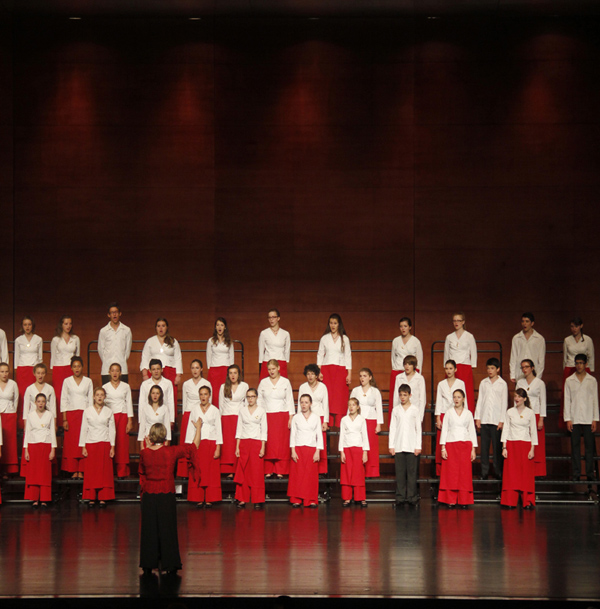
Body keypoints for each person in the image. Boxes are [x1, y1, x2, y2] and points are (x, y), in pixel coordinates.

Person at [139, 419, 202, 575]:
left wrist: (148, 447)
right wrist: (198, 428)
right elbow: (194, 447)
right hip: (166, 493)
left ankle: (148, 564)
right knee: (168, 529)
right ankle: (170, 564)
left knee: (149, 530)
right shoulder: (171, 451)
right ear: (165, 437)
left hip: (149, 494)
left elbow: (142, 472)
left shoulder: (144, 453)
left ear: (151, 436)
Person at [438, 389, 477, 508]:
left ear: (463, 399)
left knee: (464, 474)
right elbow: (444, 429)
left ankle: (464, 500)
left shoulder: (468, 413)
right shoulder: (449, 413)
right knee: (451, 473)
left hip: (465, 445)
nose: (456, 399)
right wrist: (443, 447)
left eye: (459, 397)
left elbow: (472, 431)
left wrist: (473, 449)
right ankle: (450, 499)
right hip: (451, 444)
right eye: (454, 397)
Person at [500, 388, 538, 509]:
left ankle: (527, 500)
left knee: (525, 474)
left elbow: (533, 431)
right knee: (511, 474)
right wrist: (504, 447)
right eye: (515, 396)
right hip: (512, 444)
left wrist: (532, 449)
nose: (516, 399)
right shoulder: (510, 412)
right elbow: (505, 429)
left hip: (525, 444)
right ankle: (510, 500)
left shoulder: (530, 413)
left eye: (519, 397)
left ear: (524, 399)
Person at [257, 359, 295, 478]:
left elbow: (289, 400)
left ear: (278, 368)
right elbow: (260, 400)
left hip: (282, 415)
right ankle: (268, 469)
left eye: (273, 369)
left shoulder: (285, 382)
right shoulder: (263, 382)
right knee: (269, 443)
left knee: (281, 444)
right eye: (269, 369)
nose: (271, 371)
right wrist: (260, 416)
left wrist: (290, 417)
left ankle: (281, 469)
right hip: (267, 415)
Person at [564, 354, 599, 482]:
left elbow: (595, 399)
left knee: (590, 447)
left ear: (585, 364)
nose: (579, 365)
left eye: (581, 363)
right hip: (574, 418)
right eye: (577, 363)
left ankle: (590, 473)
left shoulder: (592, 380)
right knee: (575, 447)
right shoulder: (569, 380)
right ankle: (576, 473)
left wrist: (595, 418)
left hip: (588, 418)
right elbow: (567, 400)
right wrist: (568, 418)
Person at [79, 387, 116, 507]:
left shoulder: (108, 411)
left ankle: (103, 497)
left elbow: (112, 430)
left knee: (104, 472)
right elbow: (84, 429)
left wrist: (112, 446)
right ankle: (91, 497)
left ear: (104, 397)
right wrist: (83, 446)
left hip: (104, 443)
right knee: (92, 472)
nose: (99, 397)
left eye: (102, 395)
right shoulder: (87, 411)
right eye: (97, 395)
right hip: (91, 443)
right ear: (94, 397)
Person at [186, 386, 222, 507]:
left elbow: (219, 429)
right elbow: (190, 429)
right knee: (198, 470)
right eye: (201, 394)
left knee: (211, 472)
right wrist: (190, 446)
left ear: (209, 395)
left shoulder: (215, 410)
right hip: (198, 444)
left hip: (211, 443)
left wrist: (218, 447)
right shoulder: (195, 410)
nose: (203, 397)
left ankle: (211, 497)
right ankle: (198, 497)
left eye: (205, 394)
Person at [176, 359, 211, 478]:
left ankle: (199, 471)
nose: (195, 370)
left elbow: (209, 403)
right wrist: (186, 416)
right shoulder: (186, 384)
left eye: (197, 368)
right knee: (186, 444)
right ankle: (183, 474)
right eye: (193, 368)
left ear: (201, 369)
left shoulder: (206, 383)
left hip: (201, 414)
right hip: (189, 415)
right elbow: (185, 403)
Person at [474, 357, 508, 480]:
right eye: (488, 368)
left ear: (498, 369)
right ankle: (484, 472)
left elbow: (504, 402)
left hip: (496, 420)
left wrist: (502, 420)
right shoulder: (484, 382)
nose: (490, 371)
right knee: (484, 448)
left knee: (497, 448)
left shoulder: (502, 384)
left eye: (492, 368)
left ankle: (498, 471)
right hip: (485, 419)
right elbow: (480, 400)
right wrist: (477, 417)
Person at [21, 363, 56, 477]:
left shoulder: (50, 389)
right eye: (38, 373)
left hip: (46, 419)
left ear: (45, 374)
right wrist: (26, 425)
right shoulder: (29, 389)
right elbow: (26, 407)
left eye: (42, 373)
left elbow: (53, 407)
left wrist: (54, 423)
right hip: (33, 421)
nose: (40, 375)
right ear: (34, 374)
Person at [389, 384, 422, 507]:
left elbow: (418, 429)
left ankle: (412, 498)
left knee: (412, 474)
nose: (402, 397)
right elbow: (392, 428)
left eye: (405, 395)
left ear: (410, 395)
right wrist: (391, 445)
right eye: (401, 395)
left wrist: (418, 446)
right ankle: (400, 498)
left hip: (412, 445)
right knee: (400, 473)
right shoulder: (396, 410)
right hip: (398, 445)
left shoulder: (415, 409)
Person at [61, 356, 94, 478]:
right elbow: (64, 400)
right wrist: (64, 418)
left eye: (79, 366)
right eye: (74, 366)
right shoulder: (67, 381)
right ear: (71, 368)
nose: (77, 368)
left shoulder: (88, 381)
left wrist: (91, 416)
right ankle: (73, 469)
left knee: (84, 440)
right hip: (71, 414)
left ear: (82, 367)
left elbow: (91, 400)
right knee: (72, 443)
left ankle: (82, 469)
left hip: (85, 414)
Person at [288, 394, 323, 508]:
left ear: (311, 404)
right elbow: (292, 434)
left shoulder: (316, 417)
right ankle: (296, 498)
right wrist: (293, 450)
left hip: (311, 448)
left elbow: (319, 435)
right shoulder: (296, 418)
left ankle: (311, 499)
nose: (303, 405)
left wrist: (318, 451)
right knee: (297, 475)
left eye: (306, 402)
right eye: (301, 402)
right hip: (298, 447)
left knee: (310, 475)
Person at [234, 388, 267, 509]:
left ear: (257, 397)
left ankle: (258, 499)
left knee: (256, 472)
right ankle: (242, 498)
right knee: (243, 470)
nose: (250, 399)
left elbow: (264, 430)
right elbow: (239, 429)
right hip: (244, 442)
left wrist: (263, 447)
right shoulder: (242, 410)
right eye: (248, 397)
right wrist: (237, 447)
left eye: (252, 396)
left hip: (256, 442)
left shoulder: (262, 411)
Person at [317, 313, 352, 426]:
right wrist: (319, 371)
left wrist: (349, 373)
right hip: (327, 369)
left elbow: (348, 356)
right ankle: (328, 422)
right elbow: (320, 355)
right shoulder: (324, 338)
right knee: (328, 396)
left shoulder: (344, 339)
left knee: (339, 397)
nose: (333, 325)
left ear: (339, 324)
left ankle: (339, 423)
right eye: (331, 323)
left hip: (341, 370)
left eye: (335, 323)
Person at [141, 318, 183, 409]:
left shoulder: (173, 341)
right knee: (154, 395)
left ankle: (171, 421)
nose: (161, 328)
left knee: (170, 396)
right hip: (153, 372)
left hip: (170, 371)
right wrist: (144, 374)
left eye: (163, 326)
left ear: (167, 327)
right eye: (158, 326)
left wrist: (178, 375)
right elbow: (145, 357)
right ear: (155, 328)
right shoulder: (150, 341)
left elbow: (178, 358)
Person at [434, 360, 467, 476]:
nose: (448, 371)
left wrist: (464, 415)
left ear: (455, 369)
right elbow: (438, 401)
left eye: (451, 368)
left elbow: (464, 400)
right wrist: (438, 418)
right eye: (446, 368)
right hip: (443, 414)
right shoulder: (441, 384)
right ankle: (440, 473)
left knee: (453, 442)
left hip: (456, 413)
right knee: (441, 444)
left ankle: (453, 469)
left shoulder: (460, 383)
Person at [23, 393, 57, 507]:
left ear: (45, 403)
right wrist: (26, 450)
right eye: (39, 401)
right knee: (34, 473)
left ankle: (44, 498)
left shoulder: (49, 415)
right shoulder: (30, 415)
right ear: (35, 403)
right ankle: (35, 498)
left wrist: (53, 449)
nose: (41, 403)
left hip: (46, 445)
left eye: (43, 401)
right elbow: (27, 433)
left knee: (44, 473)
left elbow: (52, 432)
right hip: (33, 446)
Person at [561, 317, 594, 428]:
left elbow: (591, 357)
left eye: (576, 326)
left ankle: (586, 421)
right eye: (572, 326)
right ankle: (568, 421)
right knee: (569, 396)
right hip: (570, 368)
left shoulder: (587, 340)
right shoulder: (567, 340)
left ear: (581, 326)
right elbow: (565, 358)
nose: (574, 329)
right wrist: (565, 371)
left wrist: (590, 372)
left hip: (584, 368)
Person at [350, 368, 383, 477]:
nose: (362, 378)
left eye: (364, 376)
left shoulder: (375, 391)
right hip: (358, 420)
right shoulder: (355, 390)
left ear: (370, 377)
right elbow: (350, 405)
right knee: (359, 445)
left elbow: (379, 407)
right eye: (360, 376)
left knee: (371, 447)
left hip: (371, 421)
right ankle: (359, 470)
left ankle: (371, 471)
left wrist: (378, 424)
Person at [516, 359, 547, 477]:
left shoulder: (539, 383)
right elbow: (517, 399)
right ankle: (524, 469)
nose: (524, 369)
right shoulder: (520, 383)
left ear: (532, 368)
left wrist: (541, 419)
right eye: (522, 367)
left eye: (527, 367)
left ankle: (536, 473)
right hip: (523, 414)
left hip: (536, 414)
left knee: (536, 445)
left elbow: (542, 401)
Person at [102, 363, 133, 478]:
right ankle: (109, 471)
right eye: (113, 371)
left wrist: (130, 420)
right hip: (110, 416)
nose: (115, 373)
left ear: (120, 373)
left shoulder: (125, 386)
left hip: (122, 416)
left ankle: (122, 472)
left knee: (122, 444)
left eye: (117, 371)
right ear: (109, 372)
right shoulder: (105, 387)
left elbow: (128, 403)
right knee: (110, 443)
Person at [297, 364, 329, 475]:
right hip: (306, 417)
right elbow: (299, 404)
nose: (310, 376)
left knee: (320, 443)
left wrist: (325, 421)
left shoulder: (323, 387)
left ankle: (321, 470)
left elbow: (326, 404)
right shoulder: (303, 387)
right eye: (308, 374)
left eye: (312, 374)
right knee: (307, 442)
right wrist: (298, 419)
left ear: (316, 375)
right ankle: (308, 467)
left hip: (319, 416)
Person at [443, 312, 477, 414]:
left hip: (465, 366)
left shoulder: (469, 336)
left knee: (466, 392)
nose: (456, 323)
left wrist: (472, 366)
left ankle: (467, 415)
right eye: (454, 320)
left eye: (458, 320)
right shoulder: (449, 337)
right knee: (451, 391)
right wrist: (447, 367)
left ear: (463, 322)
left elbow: (473, 353)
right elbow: (446, 355)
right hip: (452, 368)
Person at [218, 365, 248, 477]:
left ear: (238, 374)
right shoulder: (223, 387)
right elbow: (221, 405)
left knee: (238, 443)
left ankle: (238, 469)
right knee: (228, 445)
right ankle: (228, 470)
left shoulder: (244, 386)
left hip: (239, 417)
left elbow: (246, 404)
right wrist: (220, 420)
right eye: (230, 373)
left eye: (235, 373)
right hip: (226, 418)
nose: (233, 375)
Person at [339, 397, 369, 507]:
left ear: (358, 407)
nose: (351, 407)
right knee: (346, 473)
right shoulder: (344, 419)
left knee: (358, 473)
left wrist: (365, 451)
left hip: (358, 448)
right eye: (349, 405)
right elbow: (341, 436)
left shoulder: (361, 419)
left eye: (353, 405)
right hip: (347, 448)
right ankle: (347, 498)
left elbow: (365, 436)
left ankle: (360, 497)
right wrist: (341, 451)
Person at [14, 316, 43, 425]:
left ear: (32, 326)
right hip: (22, 370)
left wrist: (38, 371)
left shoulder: (38, 339)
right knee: (22, 394)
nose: (27, 327)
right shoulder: (18, 340)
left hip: (33, 370)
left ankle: (36, 419)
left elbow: (40, 358)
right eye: (25, 324)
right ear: (22, 326)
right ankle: (22, 423)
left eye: (29, 324)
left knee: (34, 393)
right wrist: (18, 371)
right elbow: (16, 358)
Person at [50, 315, 80, 418]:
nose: (68, 326)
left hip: (71, 368)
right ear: (61, 325)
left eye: (70, 323)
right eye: (66, 324)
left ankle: (69, 419)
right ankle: (59, 421)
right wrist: (53, 371)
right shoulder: (56, 340)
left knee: (71, 394)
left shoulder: (76, 338)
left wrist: (76, 369)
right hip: (59, 368)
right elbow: (53, 357)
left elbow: (77, 356)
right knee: (59, 395)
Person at [390, 317, 423, 404]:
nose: (403, 328)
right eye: (401, 326)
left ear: (410, 327)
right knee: (396, 397)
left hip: (411, 372)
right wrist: (395, 369)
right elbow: (393, 358)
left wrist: (417, 373)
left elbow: (419, 359)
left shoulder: (416, 341)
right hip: (397, 370)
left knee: (411, 396)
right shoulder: (396, 341)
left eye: (405, 326)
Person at [98, 302, 132, 384]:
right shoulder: (103, 331)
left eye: (116, 312)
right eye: (112, 313)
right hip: (107, 369)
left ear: (120, 313)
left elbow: (127, 351)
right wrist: (107, 361)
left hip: (122, 369)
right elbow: (100, 350)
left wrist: (122, 360)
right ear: (108, 315)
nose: (114, 315)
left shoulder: (126, 330)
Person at [509, 312, 546, 383]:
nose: (524, 324)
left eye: (527, 321)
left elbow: (541, 360)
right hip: (519, 372)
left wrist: (538, 376)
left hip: (533, 373)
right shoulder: (516, 338)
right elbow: (513, 357)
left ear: (532, 323)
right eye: (522, 321)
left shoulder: (539, 338)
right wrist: (512, 375)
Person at [139, 359, 175, 426]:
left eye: (158, 369)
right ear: (149, 371)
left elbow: (170, 402)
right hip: (148, 419)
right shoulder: (145, 384)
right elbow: (142, 403)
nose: (156, 371)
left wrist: (171, 420)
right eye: (153, 369)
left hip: (164, 418)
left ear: (162, 369)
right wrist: (141, 420)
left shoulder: (168, 383)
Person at [258, 309, 291, 380]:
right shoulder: (264, 333)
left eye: (273, 317)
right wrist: (261, 363)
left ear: (278, 318)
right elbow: (261, 350)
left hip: (281, 361)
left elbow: (287, 350)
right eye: (269, 317)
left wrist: (285, 361)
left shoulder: (285, 333)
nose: (271, 320)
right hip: (267, 361)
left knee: (282, 384)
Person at [0, 362, 19, 476]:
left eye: (6, 371)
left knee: (9, 443)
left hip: (10, 414)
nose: (4, 374)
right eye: (2, 371)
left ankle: (8, 470)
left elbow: (16, 400)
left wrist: (13, 413)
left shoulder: (13, 384)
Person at [393, 356, 426, 420]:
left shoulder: (419, 378)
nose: (407, 366)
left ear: (414, 366)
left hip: (414, 411)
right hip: (401, 410)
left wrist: (420, 417)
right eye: (405, 364)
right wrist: (395, 413)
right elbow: (396, 397)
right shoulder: (399, 377)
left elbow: (422, 399)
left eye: (409, 364)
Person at [138, 386, 172, 450]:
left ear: (160, 395)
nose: (155, 395)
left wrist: (167, 443)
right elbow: (142, 427)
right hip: (148, 439)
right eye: (153, 393)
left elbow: (167, 426)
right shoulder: (145, 408)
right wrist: (142, 445)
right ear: (150, 394)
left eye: (157, 393)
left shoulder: (164, 408)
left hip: (160, 440)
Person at [206, 317, 235, 393]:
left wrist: (231, 371)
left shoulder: (229, 341)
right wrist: (210, 368)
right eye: (217, 325)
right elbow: (208, 356)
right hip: (214, 369)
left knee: (224, 391)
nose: (219, 327)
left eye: (222, 325)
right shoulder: (211, 340)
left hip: (225, 369)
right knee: (214, 391)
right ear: (215, 327)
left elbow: (231, 357)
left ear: (225, 327)